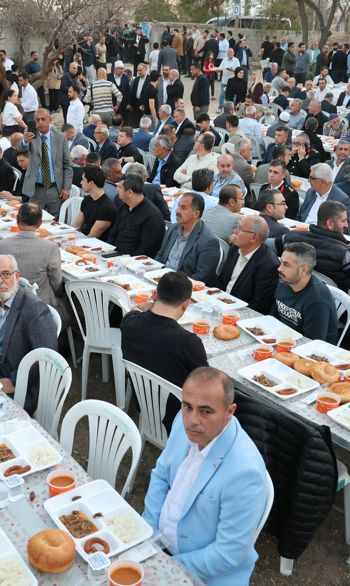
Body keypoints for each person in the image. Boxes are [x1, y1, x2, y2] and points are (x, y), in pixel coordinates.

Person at [142, 366, 268, 586]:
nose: (192, 420)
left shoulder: (245, 473)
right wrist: (149, 536)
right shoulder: (184, 426)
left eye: (206, 411)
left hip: (204, 574)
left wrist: (167, 566)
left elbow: (227, 554)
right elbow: (161, 475)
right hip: (159, 551)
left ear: (230, 412)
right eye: (187, 406)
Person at [0, 254, 58, 414]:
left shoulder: (34, 308)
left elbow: (46, 358)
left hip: (15, 387)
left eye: (5, 274)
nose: (0, 281)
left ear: (16, 275)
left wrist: (15, 381)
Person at [121, 272, 207, 428]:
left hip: (143, 403)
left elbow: (137, 307)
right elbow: (205, 387)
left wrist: (155, 304)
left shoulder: (128, 322)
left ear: (154, 295)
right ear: (186, 304)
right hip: (178, 417)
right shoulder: (189, 342)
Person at [0, 203, 69, 324]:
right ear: (40, 223)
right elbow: (56, 283)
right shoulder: (50, 247)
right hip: (41, 305)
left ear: (17, 219)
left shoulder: (0, 245)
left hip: (9, 302)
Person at [15, 109, 73, 215]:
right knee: (33, 220)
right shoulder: (31, 136)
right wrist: (25, 141)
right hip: (36, 189)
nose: (40, 122)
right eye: (37, 120)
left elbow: (68, 164)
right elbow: (20, 149)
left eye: (43, 119)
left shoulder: (60, 138)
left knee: (56, 220)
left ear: (50, 120)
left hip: (56, 189)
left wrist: (66, 187)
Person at [155, 193, 221, 283]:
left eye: (183, 207)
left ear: (196, 213)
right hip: (161, 279)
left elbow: (201, 276)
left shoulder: (208, 241)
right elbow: (161, 255)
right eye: (178, 206)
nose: (177, 210)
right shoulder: (173, 228)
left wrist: (172, 283)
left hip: (183, 287)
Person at [107, 172, 165, 257]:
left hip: (134, 261)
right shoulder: (123, 207)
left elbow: (146, 251)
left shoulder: (152, 216)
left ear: (130, 192)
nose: (117, 190)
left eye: (120, 188)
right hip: (115, 255)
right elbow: (113, 235)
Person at [298, 163, 350, 232]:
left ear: (322, 182)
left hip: (321, 237)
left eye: (311, 178)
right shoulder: (310, 192)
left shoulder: (342, 199)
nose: (308, 180)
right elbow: (300, 216)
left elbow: (343, 229)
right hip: (303, 231)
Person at [72, 166, 116, 239]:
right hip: (83, 238)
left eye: (83, 180)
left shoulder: (107, 208)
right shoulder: (88, 199)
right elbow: (77, 225)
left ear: (91, 183)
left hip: (95, 245)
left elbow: (92, 237)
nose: (81, 183)